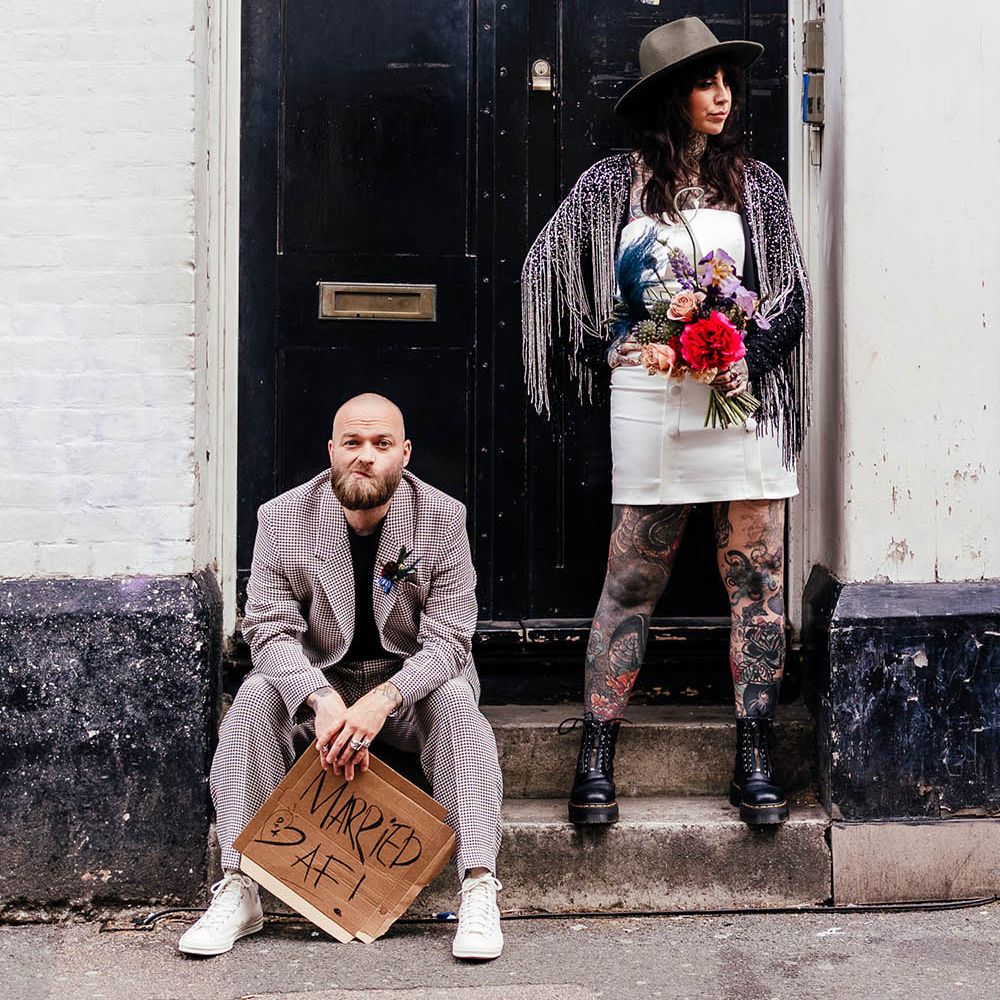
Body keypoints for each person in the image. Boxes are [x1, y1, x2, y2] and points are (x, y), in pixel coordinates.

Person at [521, 18, 811, 828]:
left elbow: (791, 298)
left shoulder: (757, 185)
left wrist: (735, 355)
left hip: (737, 398)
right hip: (651, 402)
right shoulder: (614, 185)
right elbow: (544, 278)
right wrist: (621, 344)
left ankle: (753, 753)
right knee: (632, 579)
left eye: (729, 82)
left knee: (756, 582)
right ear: (667, 96)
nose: (722, 96)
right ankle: (597, 748)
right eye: (704, 81)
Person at [178, 393, 504, 960]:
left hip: (408, 688)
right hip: (319, 681)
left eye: (381, 445)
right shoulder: (282, 518)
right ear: (332, 450)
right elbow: (269, 631)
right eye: (352, 443)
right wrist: (320, 697)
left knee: (457, 703)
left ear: (404, 453)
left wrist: (385, 697)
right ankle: (240, 885)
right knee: (254, 697)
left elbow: (451, 637)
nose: (365, 457)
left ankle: (478, 888)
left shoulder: (442, 516)